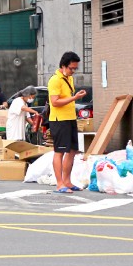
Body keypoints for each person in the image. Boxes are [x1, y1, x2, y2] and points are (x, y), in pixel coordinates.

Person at [48, 52, 86, 193]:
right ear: (63, 66)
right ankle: (59, 184)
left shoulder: (68, 78)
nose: (73, 71)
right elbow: (55, 102)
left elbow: (68, 97)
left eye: (75, 69)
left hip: (70, 118)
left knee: (72, 150)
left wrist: (75, 96)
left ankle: (67, 181)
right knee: (60, 151)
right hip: (59, 120)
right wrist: (74, 98)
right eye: (71, 68)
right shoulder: (55, 80)